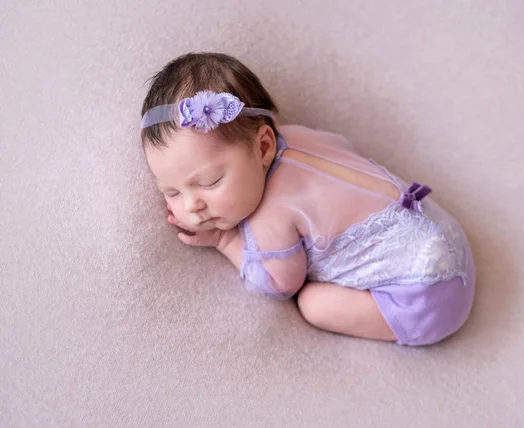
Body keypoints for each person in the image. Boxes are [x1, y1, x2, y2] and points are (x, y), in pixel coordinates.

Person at [140, 52, 476, 346]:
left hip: (427, 301)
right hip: (448, 239)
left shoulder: (270, 217)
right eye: (171, 192)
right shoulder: (302, 136)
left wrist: (226, 240)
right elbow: (344, 146)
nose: (192, 206)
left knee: (312, 303)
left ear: (263, 146)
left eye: (209, 182)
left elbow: (280, 282)